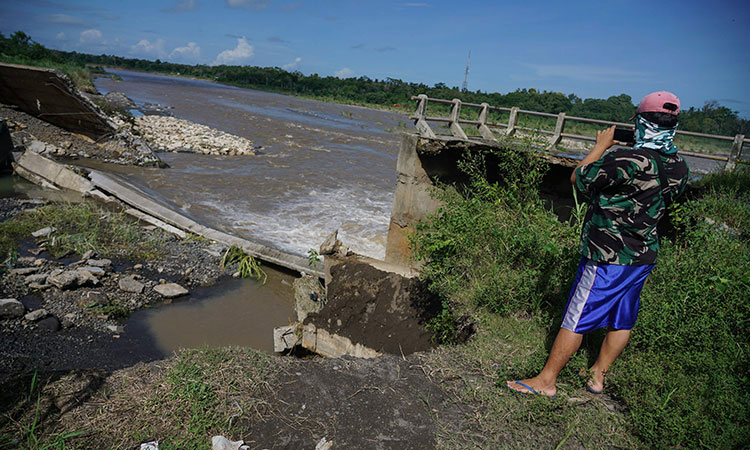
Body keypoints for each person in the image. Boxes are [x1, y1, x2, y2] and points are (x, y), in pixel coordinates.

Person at [506, 91, 689, 397]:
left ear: (640, 123)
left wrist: (601, 146)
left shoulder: (624, 159)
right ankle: (597, 375)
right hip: (643, 254)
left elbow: (580, 178)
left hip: (608, 255)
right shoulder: (679, 166)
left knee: (576, 316)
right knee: (623, 317)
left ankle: (547, 380)